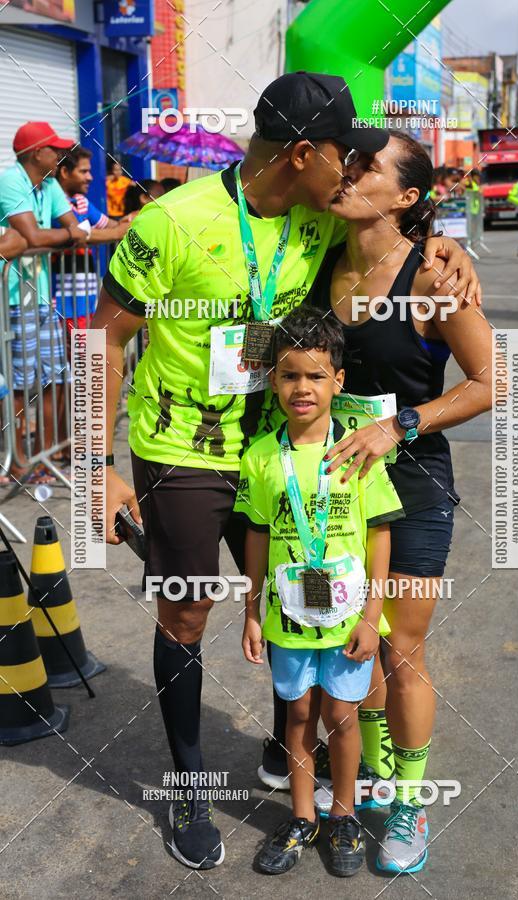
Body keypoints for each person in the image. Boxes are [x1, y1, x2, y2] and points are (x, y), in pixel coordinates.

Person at [92, 71, 481, 870]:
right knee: (188, 613)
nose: (351, 169)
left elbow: (400, 232)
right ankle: (188, 788)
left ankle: (291, 741)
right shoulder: (171, 221)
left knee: (299, 597)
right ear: (303, 154)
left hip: (283, 447)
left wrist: (451, 246)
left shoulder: (319, 213)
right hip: (183, 450)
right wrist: (99, 464)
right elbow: (104, 338)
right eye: (345, 153)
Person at [308, 131, 493, 873]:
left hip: (412, 487)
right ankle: (378, 770)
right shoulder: (319, 255)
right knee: (352, 642)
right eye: (349, 162)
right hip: (334, 488)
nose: (349, 173)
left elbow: (491, 381)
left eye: (369, 167)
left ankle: (410, 804)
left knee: (400, 646)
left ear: (408, 197)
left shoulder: (431, 277)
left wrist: (402, 424)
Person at [237, 308, 404, 877]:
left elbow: (380, 536)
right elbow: (256, 535)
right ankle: (303, 817)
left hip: (349, 619)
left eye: (315, 375)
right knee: (299, 713)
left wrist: (372, 616)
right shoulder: (261, 457)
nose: (301, 388)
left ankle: (344, 815)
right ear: (272, 381)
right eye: (289, 375)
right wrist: (251, 612)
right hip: (287, 619)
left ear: (338, 381)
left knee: (341, 714)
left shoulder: (358, 453)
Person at [0, 121, 87, 485]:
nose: (61, 156)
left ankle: (46, 454)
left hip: (39, 296)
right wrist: (68, 234)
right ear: (37, 153)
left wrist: (67, 233)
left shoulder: (48, 184)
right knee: (19, 383)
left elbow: (75, 228)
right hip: (13, 300)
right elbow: (34, 236)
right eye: (56, 150)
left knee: (55, 375)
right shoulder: (11, 181)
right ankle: (18, 459)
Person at [53, 146, 129, 339]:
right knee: (82, 356)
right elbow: (81, 235)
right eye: (84, 171)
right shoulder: (55, 201)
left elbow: (111, 225)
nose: (90, 177)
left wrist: (133, 220)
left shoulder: (81, 200)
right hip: (64, 305)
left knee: (90, 355)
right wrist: (118, 232)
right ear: (64, 172)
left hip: (87, 302)